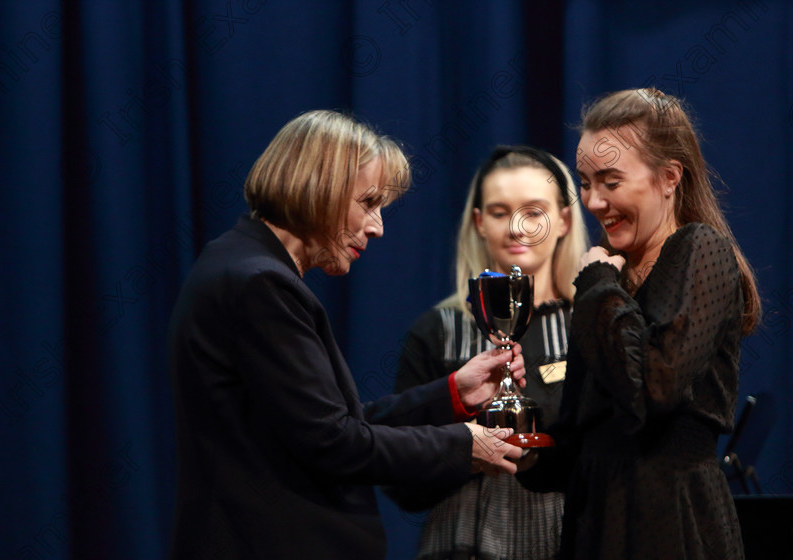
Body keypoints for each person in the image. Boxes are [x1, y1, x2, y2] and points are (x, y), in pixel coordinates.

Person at [167, 110, 527, 560]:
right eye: (369, 202)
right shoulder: (259, 284)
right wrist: (462, 444)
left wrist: (453, 394)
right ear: (321, 185)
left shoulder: (238, 264)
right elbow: (333, 444)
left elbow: (327, 427)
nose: (377, 227)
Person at [517, 88, 761, 559]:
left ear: (669, 177)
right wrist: (520, 443)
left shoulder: (698, 248)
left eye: (610, 181)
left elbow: (655, 387)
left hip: (671, 522)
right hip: (595, 526)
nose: (592, 201)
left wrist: (598, 285)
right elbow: (578, 441)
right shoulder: (607, 284)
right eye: (585, 183)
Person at [390, 146, 589, 559]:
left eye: (534, 211)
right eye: (500, 212)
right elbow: (401, 482)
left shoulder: (592, 324)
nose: (517, 228)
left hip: (568, 540)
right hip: (460, 543)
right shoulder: (437, 332)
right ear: (479, 223)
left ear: (565, 220)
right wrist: (465, 451)